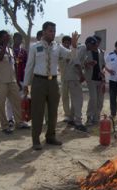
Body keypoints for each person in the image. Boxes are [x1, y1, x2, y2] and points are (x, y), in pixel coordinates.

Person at [23, 21, 79, 150]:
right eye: (50, 31)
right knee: (38, 111)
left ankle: (51, 136)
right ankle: (36, 140)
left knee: (53, 111)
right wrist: (26, 84)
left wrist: (74, 46)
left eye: (54, 31)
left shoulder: (57, 47)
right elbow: (29, 66)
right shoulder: (35, 47)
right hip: (38, 82)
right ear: (44, 32)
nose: (52, 33)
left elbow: (71, 56)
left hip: (53, 82)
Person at [0, 30, 30, 134]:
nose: (7, 39)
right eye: (5, 37)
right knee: (1, 104)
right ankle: (4, 126)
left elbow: (15, 66)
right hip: (1, 81)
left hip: (12, 81)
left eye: (8, 37)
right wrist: (4, 45)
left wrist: (17, 80)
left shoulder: (10, 50)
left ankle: (19, 122)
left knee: (17, 101)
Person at [5, 32, 28, 127]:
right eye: (17, 38)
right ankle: (10, 119)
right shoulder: (8, 50)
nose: (18, 40)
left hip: (22, 78)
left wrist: (26, 81)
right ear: (13, 39)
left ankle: (20, 119)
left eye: (20, 39)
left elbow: (27, 66)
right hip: (11, 79)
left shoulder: (23, 52)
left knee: (20, 100)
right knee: (10, 100)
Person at [84, 36, 106, 125]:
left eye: (97, 43)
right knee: (93, 98)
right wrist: (88, 64)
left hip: (100, 79)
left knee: (100, 99)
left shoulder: (101, 52)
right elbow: (82, 63)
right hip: (91, 78)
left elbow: (103, 65)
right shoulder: (87, 52)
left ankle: (96, 118)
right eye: (95, 43)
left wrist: (102, 72)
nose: (96, 45)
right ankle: (89, 117)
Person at [58, 36, 72, 122]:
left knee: (74, 97)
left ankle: (74, 114)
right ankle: (67, 115)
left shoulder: (73, 52)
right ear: (62, 43)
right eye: (65, 43)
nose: (66, 44)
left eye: (68, 43)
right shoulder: (59, 53)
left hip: (73, 79)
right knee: (65, 97)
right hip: (63, 79)